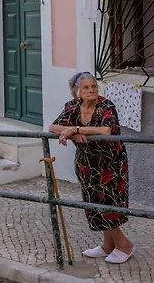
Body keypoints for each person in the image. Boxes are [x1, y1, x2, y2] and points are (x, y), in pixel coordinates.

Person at [49, 72, 133, 264]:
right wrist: (71, 134)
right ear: (77, 92)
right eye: (86, 87)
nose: (91, 90)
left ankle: (124, 245)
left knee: (107, 205)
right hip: (87, 164)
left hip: (110, 164)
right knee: (93, 202)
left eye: (94, 86)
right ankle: (108, 245)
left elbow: (106, 130)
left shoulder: (106, 106)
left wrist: (76, 129)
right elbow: (53, 127)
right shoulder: (72, 107)